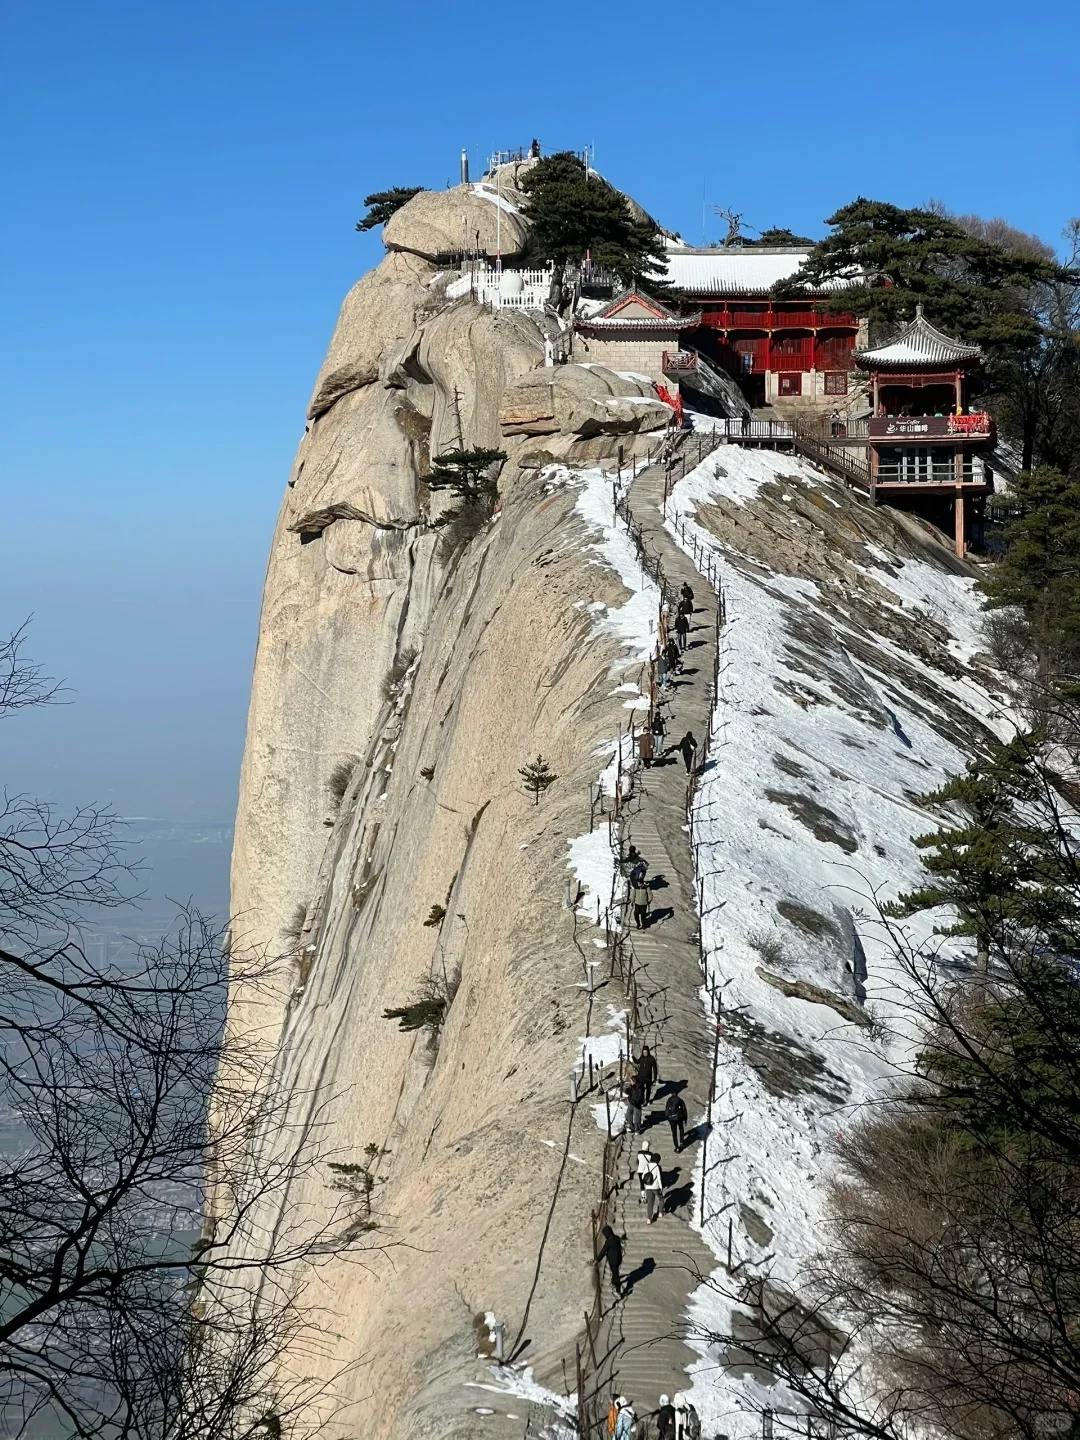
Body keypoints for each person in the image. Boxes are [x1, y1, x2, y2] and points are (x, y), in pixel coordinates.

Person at [596, 1223, 623, 1298]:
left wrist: (597, 1260)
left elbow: (603, 1251)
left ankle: (618, 1291)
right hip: (618, 1259)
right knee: (615, 1272)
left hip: (613, 1261)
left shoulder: (609, 1241)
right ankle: (614, 1283)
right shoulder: (616, 1238)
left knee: (615, 1275)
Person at [644, 1150, 664, 1223]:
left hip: (648, 1187)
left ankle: (649, 1219)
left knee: (650, 1202)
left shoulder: (647, 1166)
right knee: (661, 1198)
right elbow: (659, 1178)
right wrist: (661, 1187)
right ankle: (660, 1212)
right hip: (655, 1187)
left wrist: (646, 1185)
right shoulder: (657, 1167)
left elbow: (643, 1176)